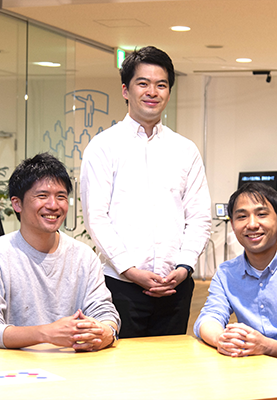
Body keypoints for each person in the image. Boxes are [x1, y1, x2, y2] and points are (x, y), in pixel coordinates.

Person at [79, 45, 211, 338]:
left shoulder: (185, 150)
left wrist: (185, 266)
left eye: (161, 85)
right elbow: (96, 218)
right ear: (126, 90)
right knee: (121, 372)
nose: (153, 91)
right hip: (120, 287)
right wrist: (130, 270)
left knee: (169, 370)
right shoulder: (103, 147)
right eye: (143, 83)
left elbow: (200, 217)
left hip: (175, 287)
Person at [0, 153, 120, 351]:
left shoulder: (84, 256)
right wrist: (46, 333)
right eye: (42, 196)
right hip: (6, 370)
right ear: (17, 204)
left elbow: (104, 312)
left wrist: (107, 332)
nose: (54, 205)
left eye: (61, 196)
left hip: (66, 367)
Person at [195, 183, 277, 370]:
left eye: (261, 214)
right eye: (242, 216)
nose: (252, 224)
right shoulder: (227, 273)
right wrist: (222, 339)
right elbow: (208, 318)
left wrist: (265, 346)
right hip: (250, 369)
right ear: (233, 225)